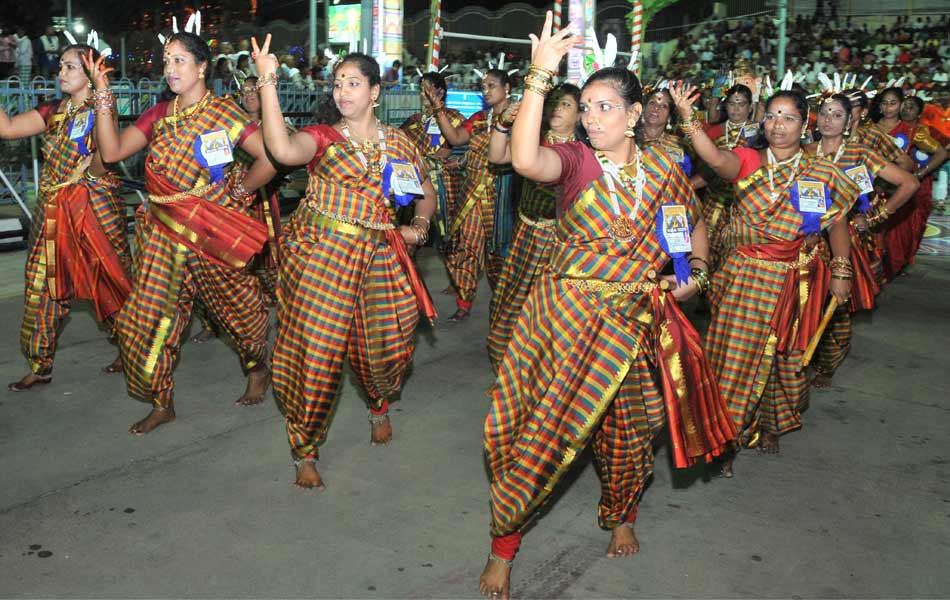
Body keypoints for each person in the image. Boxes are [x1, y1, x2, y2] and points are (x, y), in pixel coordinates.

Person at [480, 15, 735, 599]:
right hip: (566, 319)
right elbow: (522, 161)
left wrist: (693, 273)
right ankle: (504, 544)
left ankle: (621, 513)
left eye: (603, 107)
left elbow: (689, 227)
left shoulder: (666, 170)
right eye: (587, 107)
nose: (592, 118)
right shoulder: (574, 163)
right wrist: (539, 76)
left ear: (633, 113)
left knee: (629, 430)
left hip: (635, 322)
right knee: (540, 430)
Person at [251, 36, 437, 490]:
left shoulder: (399, 143)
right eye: (337, 83)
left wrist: (421, 225)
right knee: (315, 354)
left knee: (386, 350)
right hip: (322, 257)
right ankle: (305, 449)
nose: (342, 92)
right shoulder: (323, 138)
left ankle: (378, 402)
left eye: (353, 83)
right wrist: (267, 81)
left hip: (381, 257)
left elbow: (424, 193)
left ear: (375, 92)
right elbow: (281, 150)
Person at [83, 25, 277, 434]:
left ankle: (257, 368)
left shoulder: (224, 113)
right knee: (147, 321)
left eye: (179, 61)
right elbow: (112, 151)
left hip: (211, 233)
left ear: (202, 67)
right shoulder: (160, 115)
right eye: (167, 61)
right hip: (162, 233)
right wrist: (102, 92)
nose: (170, 69)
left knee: (240, 316)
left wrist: (242, 189)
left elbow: (272, 157)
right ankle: (161, 401)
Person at [670, 82, 859, 472]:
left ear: (804, 125)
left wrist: (841, 273)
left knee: (784, 360)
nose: (778, 125)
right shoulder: (750, 161)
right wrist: (689, 120)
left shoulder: (819, 171)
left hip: (795, 280)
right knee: (733, 361)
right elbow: (717, 159)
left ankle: (770, 423)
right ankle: (727, 439)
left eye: (789, 118)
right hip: (743, 279)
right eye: (772, 116)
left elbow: (836, 224)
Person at [2, 38, 132, 391]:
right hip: (53, 213)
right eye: (60, 66)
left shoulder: (100, 109)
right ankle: (40, 365)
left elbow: (108, 157)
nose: (61, 72)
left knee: (107, 282)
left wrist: (88, 174)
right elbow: (8, 128)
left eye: (70, 66)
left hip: (93, 213)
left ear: (89, 73)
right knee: (42, 287)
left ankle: (131, 347)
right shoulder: (53, 113)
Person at [807, 93, 918, 388]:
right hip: (805, 242)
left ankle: (827, 365)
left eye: (837, 115)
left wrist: (874, 217)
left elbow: (909, 183)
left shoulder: (860, 154)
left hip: (845, 240)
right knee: (804, 304)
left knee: (838, 306)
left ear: (848, 122)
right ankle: (800, 359)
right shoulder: (804, 152)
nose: (829, 119)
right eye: (825, 113)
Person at [485, 82, 580, 370]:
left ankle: (539, 371)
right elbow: (497, 157)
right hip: (528, 232)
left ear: (579, 115)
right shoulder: (533, 140)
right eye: (554, 103)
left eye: (565, 104)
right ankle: (504, 367)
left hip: (564, 242)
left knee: (552, 310)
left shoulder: (585, 151)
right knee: (511, 301)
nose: (557, 109)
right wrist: (503, 124)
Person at [429, 68, 516, 322]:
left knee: (500, 253)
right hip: (472, 193)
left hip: (502, 194)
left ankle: (503, 305)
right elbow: (456, 138)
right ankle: (464, 302)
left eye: (491, 86)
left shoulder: (520, 117)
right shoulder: (480, 118)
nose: (485, 91)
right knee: (466, 245)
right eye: (483, 86)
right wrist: (438, 108)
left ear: (507, 88)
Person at [872, 87, 948, 278]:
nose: (888, 108)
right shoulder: (868, 129)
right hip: (871, 192)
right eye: (884, 103)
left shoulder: (912, 131)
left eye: (893, 103)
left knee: (896, 237)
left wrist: (920, 174)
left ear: (900, 106)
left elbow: (941, 153)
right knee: (871, 237)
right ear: (879, 106)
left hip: (898, 193)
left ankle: (891, 270)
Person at [695, 84, 760, 274]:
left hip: (744, 202)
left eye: (741, 104)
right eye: (732, 104)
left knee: (736, 248)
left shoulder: (759, 132)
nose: (736, 109)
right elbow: (704, 166)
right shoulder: (714, 131)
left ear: (750, 107)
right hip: (714, 199)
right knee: (705, 244)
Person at [400, 70, 465, 252]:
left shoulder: (454, 118)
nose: (422, 94)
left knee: (449, 237)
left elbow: (453, 147)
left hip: (444, 184)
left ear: (440, 92)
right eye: (421, 90)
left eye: (426, 89)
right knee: (411, 237)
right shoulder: (414, 121)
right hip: (416, 182)